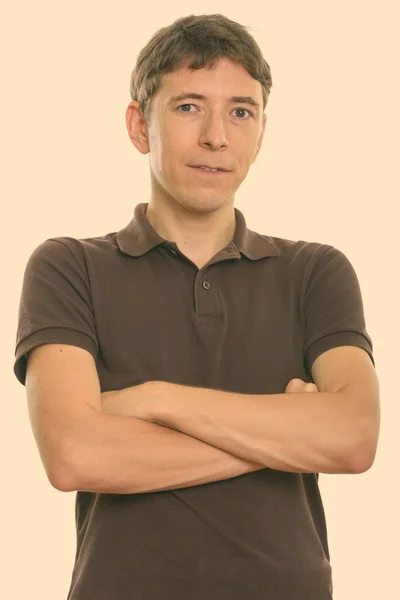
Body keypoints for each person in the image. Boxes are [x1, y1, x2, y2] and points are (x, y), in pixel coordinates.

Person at [13, 13, 380, 600]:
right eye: (188, 106)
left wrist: (156, 400)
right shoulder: (68, 267)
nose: (217, 136)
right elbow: (74, 455)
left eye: (241, 111)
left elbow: (354, 438)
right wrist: (285, 434)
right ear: (139, 125)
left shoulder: (317, 272)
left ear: (260, 133)